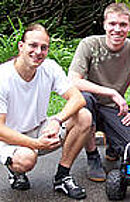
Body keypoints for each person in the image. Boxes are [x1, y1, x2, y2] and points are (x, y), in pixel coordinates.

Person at [0, 24, 92, 200]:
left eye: (44, 47)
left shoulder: (49, 67)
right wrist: (35, 144)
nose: (38, 52)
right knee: (27, 159)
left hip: (38, 127)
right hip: (8, 138)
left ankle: (62, 177)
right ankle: (15, 171)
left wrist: (57, 120)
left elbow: (78, 98)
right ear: (21, 46)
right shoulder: (3, 77)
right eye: (33, 45)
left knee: (84, 116)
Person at [68, 3, 130, 181]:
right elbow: (73, 80)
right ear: (104, 24)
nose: (117, 29)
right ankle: (93, 156)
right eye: (112, 24)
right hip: (89, 105)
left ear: (129, 27)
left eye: (123, 25)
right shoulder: (88, 45)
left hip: (114, 109)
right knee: (84, 99)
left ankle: (113, 145)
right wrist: (111, 92)